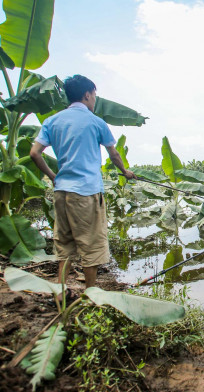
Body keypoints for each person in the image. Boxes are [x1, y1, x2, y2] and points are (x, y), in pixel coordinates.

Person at [30, 75, 138, 291]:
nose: (95, 99)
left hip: (61, 192)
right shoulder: (96, 122)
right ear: (87, 94)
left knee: (64, 245)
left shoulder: (53, 121)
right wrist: (125, 171)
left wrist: (54, 177)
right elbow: (114, 154)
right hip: (87, 193)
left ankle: (60, 293)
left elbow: (34, 153)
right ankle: (90, 295)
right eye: (94, 95)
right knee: (92, 247)